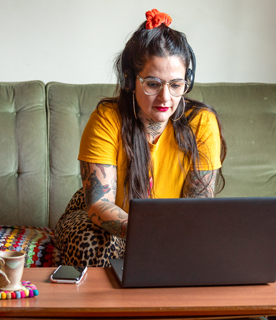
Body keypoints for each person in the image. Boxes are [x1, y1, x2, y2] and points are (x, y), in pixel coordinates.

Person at [54, 9, 227, 267]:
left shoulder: (201, 123)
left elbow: (198, 206)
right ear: (129, 80)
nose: (166, 97)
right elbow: (99, 204)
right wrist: (151, 234)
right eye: (153, 84)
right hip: (103, 215)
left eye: (176, 85)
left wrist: (171, 237)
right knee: (93, 242)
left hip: (168, 226)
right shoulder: (107, 118)